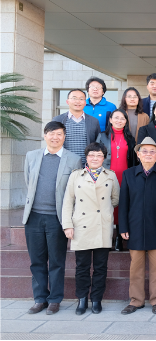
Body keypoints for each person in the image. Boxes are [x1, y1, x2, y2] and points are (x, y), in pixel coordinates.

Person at [23, 122, 82, 315]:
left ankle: (55, 299)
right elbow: (28, 182)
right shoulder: (32, 156)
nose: (55, 137)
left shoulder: (73, 159)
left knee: (57, 261)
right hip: (33, 217)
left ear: (64, 137)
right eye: (51, 133)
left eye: (59, 134)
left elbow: (74, 191)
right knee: (37, 261)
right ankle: (40, 299)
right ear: (45, 135)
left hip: (57, 218)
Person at [119, 137, 156, 315]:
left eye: (152, 151)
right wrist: (123, 227)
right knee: (135, 267)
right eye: (144, 151)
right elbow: (123, 203)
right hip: (135, 227)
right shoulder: (129, 174)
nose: (148, 154)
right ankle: (136, 301)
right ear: (138, 154)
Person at [62, 142, 120, 315]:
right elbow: (68, 202)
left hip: (102, 225)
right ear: (86, 158)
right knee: (82, 266)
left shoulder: (111, 175)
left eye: (99, 155)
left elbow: (115, 199)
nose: (95, 158)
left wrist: (104, 212)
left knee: (101, 266)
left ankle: (96, 299)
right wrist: (67, 225)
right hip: (81, 225)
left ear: (104, 158)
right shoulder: (76, 176)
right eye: (92, 155)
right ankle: (81, 299)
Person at [96, 109, 137, 251]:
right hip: (107, 176)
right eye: (116, 118)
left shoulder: (130, 138)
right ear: (110, 120)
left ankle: (120, 236)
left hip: (124, 177)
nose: (119, 120)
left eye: (122, 118)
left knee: (122, 205)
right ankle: (107, 237)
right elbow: (96, 156)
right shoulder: (102, 136)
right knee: (106, 205)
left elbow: (133, 160)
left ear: (126, 121)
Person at [52, 89, 101, 166]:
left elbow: (97, 143)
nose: (78, 101)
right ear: (67, 101)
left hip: (87, 165)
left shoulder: (94, 121)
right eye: (74, 98)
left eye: (81, 99)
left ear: (85, 103)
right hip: (64, 164)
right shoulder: (58, 120)